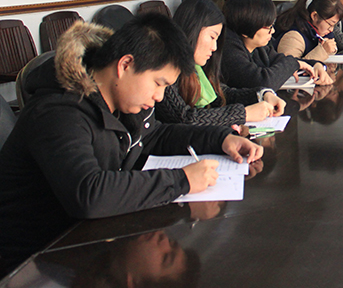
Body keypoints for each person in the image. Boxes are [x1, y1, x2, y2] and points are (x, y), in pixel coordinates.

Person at [0, 14, 263, 272]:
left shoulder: (123, 100)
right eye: (158, 83)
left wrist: (220, 139)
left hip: (88, 239)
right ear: (125, 64)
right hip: (34, 263)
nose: (159, 97)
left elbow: (155, 136)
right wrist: (182, 180)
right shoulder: (58, 111)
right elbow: (88, 193)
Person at [154, 0, 285, 128]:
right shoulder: (163, 68)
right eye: (212, 37)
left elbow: (222, 94)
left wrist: (263, 94)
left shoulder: (197, 68)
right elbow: (185, 118)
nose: (214, 47)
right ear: (192, 30)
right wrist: (244, 114)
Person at [221, 0, 331, 91]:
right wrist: (294, 64)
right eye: (268, 28)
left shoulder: (259, 48)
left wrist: (315, 64)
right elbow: (262, 82)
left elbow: (282, 60)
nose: (273, 31)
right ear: (247, 28)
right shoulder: (228, 50)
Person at [274, 0, 343, 61]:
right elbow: (289, 66)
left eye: (334, 25)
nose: (331, 29)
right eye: (330, 24)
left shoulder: (322, 34)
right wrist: (323, 51)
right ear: (314, 16)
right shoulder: (293, 37)